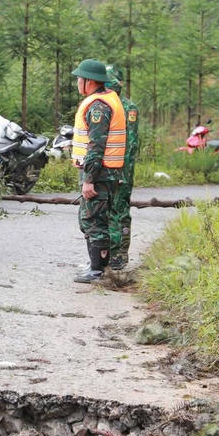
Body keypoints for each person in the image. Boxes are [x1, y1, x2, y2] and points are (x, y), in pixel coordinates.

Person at [70, 60, 126, 284]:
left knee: (95, 221)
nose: (77, 82)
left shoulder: (99, 106)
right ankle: (96, 265)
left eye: (79, 79)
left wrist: (89, 179)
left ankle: (97, 271)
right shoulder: (105, 99)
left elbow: (96, 145)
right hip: (104, 173)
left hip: (100, 174)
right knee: (91, 219)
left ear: (89, 81)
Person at [105, 66, 138, 276]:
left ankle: (120, 254)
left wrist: (122, 173)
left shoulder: (128, 108)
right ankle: (107, 253)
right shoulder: (103, 104)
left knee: (120, 211)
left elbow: (131, 144)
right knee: (106, 212)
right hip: (106, 170)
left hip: (122, 170)